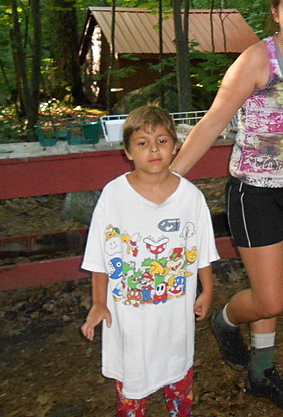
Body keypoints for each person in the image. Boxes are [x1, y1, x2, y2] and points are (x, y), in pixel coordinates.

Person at [169, 0, 283, 411]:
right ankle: (223, 320)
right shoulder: (258, 59)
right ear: (275, 13)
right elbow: (214, 121)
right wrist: (171, 178)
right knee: (271, 297)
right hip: (253, 192)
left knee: (269, 289)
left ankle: (261, 373)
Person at [81, 105, 219, 417]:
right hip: (130, 320)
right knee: (132, 388)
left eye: (162, 141)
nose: (153, 149)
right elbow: (100, 256)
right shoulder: (113, 197)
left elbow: (202, 248)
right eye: (142, 143)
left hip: (175, 317)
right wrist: (98, 302)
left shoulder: (191, 197)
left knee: (179, 380)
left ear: (175, 146)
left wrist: (208, 289)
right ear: (127, 151)